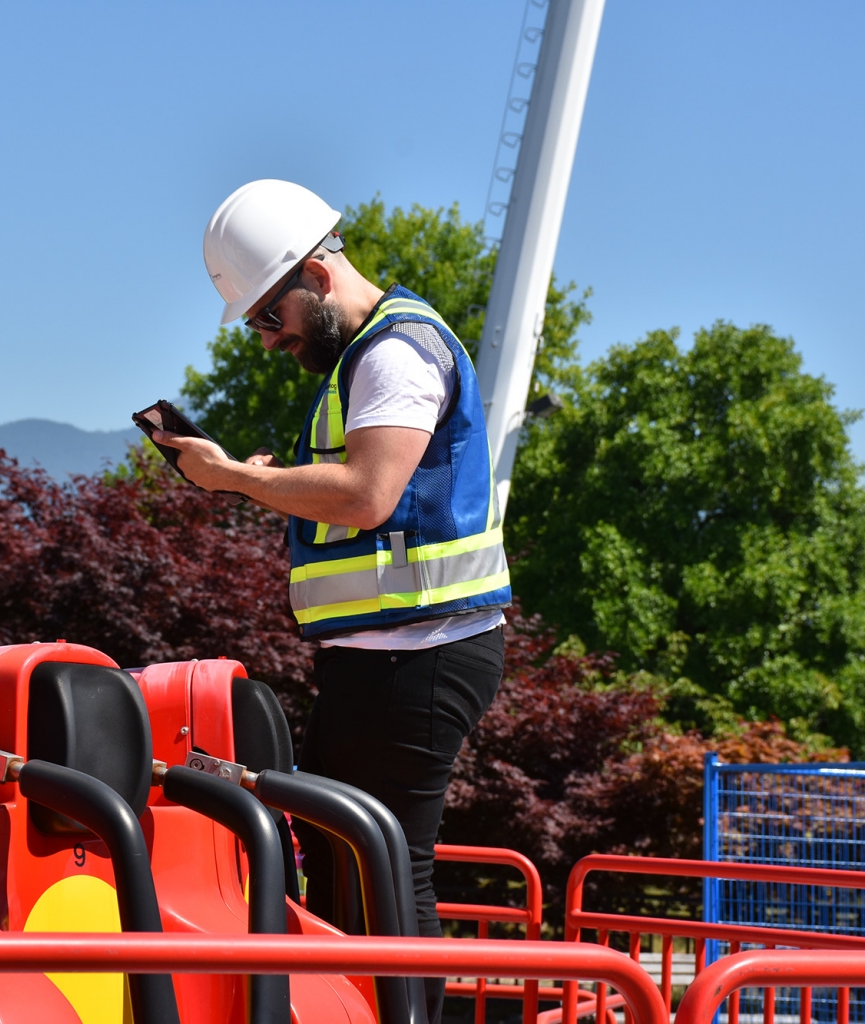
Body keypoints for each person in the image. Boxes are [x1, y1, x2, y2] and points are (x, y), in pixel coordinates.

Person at [156, 179, 510, 1023]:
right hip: (388, 656)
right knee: (346, 849)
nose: (267, 340)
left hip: (421, 655)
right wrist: (268, 480)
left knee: (385, 860)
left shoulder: (392, 351)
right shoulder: (366, 357)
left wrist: (238, 479)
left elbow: (366, 495)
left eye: (267, 317)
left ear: (315, 276)